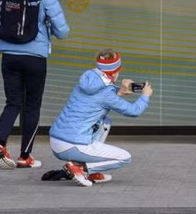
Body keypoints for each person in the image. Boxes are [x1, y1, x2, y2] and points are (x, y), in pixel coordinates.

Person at [0, 0, 69, 170]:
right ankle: (25, 156)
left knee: (13, 102)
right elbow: (63, 31)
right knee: (32, 106)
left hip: (9, 55)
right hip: (35, 58)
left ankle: (0, 141)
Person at [48, 49, 152, 187]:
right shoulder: (107, 93)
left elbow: (97, 98)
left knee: (105, 122)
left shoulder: (87, 78)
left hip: (56, 141)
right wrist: (145, 95)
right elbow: (133, 111)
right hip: (73, 145)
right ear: (115, 72)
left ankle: (88, 172)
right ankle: (80, 169)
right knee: (124, 157)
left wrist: (119, 91)